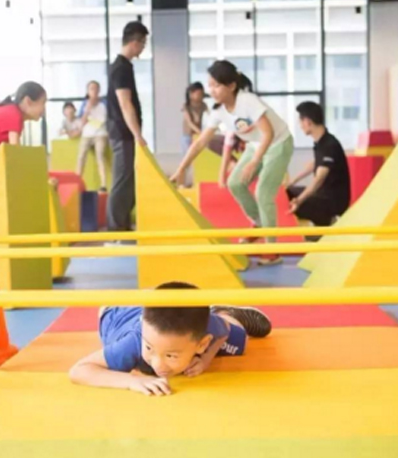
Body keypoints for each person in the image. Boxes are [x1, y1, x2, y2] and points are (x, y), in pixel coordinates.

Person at [170, 60, 294, 266]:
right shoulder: (218, 111)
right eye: (210, 85)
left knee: (263, 193)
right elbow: (200, 142)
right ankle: (259, 223)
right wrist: (181, 169)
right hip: (255, 145)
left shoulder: (248, 101)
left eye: (217, 85)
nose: (212, 90)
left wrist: (254, 161)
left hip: (278, 143)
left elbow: (268, 133)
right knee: (235, 183)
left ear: (231, 86)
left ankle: (273, 250)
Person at [68, 282, 272, 396]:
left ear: (201, 344)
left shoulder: (208, 331)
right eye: (149, 348)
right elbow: (79, 370)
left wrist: (205, 359)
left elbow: (224, 330)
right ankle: (147, 295)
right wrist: (130, 381)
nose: (157, 364)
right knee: (110, 306)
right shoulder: (132, 344)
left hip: (165, 318)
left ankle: (224, 311)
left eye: (171, 356)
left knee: (241, 341)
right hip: (118, 309)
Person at [107, 21, 149, 233]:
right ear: (135, 42)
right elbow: (125, 104)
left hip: (124, 133)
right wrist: (137, 134)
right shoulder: (120, 68)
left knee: (128, 179)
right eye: (143, 43)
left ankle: (122, 223)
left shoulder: (124, 66)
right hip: (122, 133)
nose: (143, 48)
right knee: (122, 180)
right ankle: (115, 228)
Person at [286, 101, 350, 238]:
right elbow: (315, 164)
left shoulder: (329, 144)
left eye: (301, 121)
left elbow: (319, 179)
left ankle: (327, 222)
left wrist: (299, 201)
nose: (300, 125)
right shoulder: (321, 142)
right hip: (323, 195)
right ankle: (320, 226)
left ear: (308, 121)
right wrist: (292, 182)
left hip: (332, 202)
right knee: (287, 192)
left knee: (292, 199)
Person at [76, 81, 109, 192]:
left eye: (96, 88)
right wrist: (87, 109)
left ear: (99, 90)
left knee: (100, 156)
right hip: (87, 134)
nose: (94, 91)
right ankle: (77, 181)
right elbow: (82, 121)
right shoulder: (84, 104)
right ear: (88, 91)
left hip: (101, 133)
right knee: (81, 156)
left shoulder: (104, 103)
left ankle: (103, 184)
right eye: (91, 89)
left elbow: (108, 118)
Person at [181, 82, 208, 155]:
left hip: (198, 136)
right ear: (191, 94)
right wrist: (200, 132)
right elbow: (189, 123)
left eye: (202, 94)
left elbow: (210, 117)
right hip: (188, 136)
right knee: (187, 155)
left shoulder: (203, 105)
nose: (201, 96)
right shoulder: (186, 106)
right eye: (198, 94)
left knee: (198, 156)